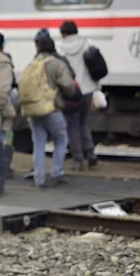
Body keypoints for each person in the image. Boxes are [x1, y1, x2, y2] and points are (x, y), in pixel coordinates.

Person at [19, 35, 78, 188]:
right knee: (61, 139)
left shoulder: (32, 64)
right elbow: (68, 86)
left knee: (38, 142)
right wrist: (73, 96)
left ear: (37, 48)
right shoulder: (57, 64)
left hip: (32, 109)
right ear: (53, 47)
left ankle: (39, 178)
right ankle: (56, 173)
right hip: (52, 109)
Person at [56, 21, 99, 170]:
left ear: (64, 33)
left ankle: (78, 159)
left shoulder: (59, 48)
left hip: (72, 92)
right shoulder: (88, 43)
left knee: (72, 125)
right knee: (83, 122)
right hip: (88, 90)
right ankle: (91, 153)